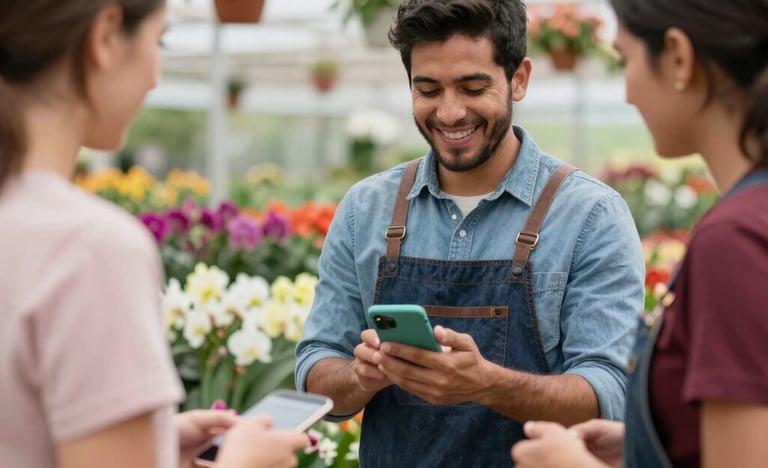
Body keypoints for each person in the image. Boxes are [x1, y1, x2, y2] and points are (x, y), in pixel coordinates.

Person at [295, 0, 646, 466]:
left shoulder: (590, 216)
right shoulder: (366, 210)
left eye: (472, 87)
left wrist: (486, 383)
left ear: (518, 78)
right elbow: (315, 370)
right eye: (428, 89)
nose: (450, 111)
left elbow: (612, 390)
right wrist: (362, 376)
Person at [0, 1, 309, 467]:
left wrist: (155, 448)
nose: (155, 76)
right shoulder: (89, 248)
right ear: (105, 36)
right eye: (159, 41)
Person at [511, 1, 768, 467]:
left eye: (625, 59)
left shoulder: (735, 241)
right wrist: (651, 446)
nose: (627, 91)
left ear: (678, 57)